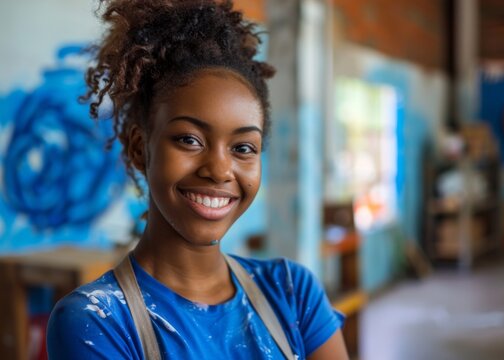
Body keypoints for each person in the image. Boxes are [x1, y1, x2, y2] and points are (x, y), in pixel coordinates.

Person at [46, 0, 348, 359]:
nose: (220, 170)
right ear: (140, 148)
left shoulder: (292, 293)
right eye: (190, 140)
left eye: (243, 147)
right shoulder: (98, 322)